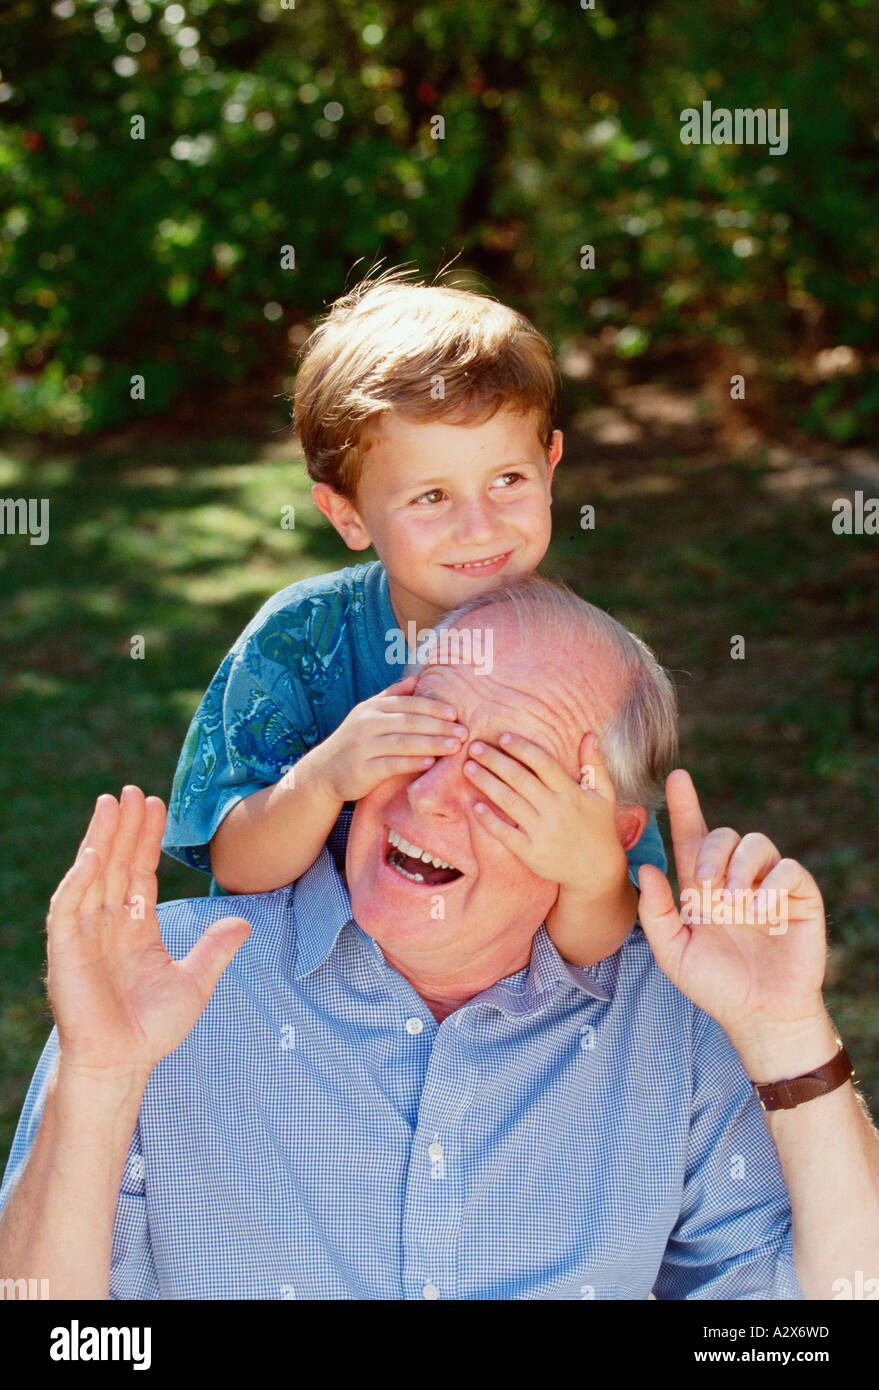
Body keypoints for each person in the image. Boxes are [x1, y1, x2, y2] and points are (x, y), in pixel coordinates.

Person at [2, 578, 877, 1299]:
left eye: (507, 772)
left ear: (608, 836)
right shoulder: (162, 983)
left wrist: (784, 1032)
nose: (428, 798)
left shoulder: (675, 1027)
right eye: (422, 738)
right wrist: (100, 1079)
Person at [162, 265, 667, 966]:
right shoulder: (299, 643)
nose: (478, 527)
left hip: (475, 1031)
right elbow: (238, 868)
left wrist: (590, 874)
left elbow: (597, 947)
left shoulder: (579, 670)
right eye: (430, 497)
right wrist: (323, 780)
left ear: (550, 467)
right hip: (296, 1011)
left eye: (507, 481)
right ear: (346, 513)